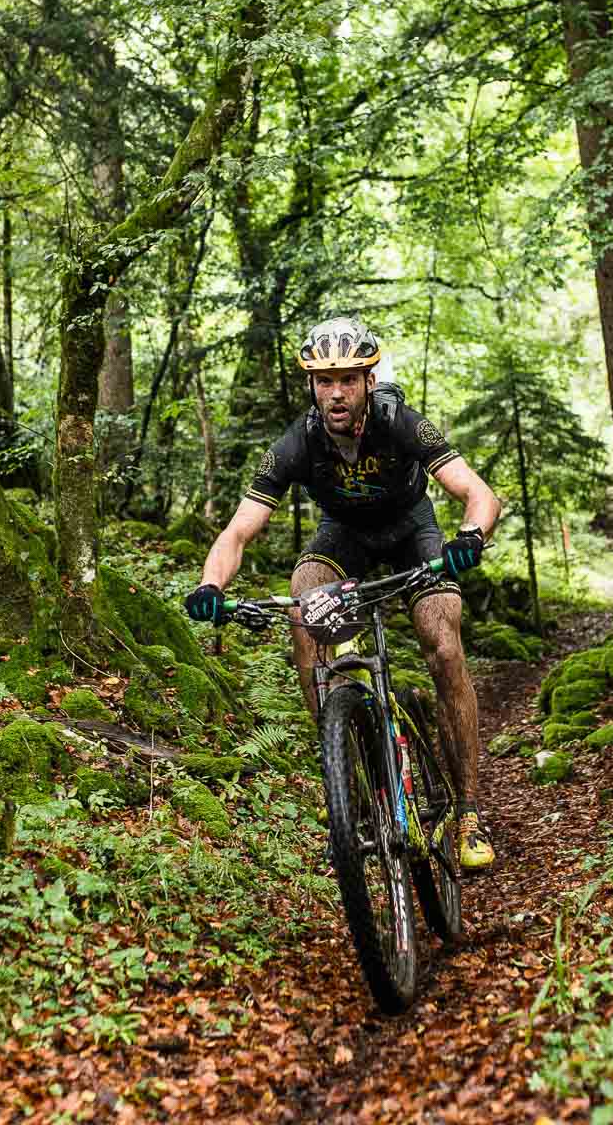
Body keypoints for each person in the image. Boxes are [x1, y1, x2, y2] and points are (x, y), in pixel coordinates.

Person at [182, 315, 503, 872]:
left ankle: (468, 813)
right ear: (311, 386)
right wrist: (211, 584)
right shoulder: (295, 444)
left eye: (348, 380)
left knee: (442, 642)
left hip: (413, 533)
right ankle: (347, 789)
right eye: (325, 380)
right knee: (305, 608)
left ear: (368, 382)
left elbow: (477, 492)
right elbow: (236, 531)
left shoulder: (401, 423)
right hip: (343, 539)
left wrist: (471, 536)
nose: (336, 392)